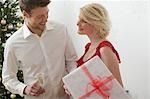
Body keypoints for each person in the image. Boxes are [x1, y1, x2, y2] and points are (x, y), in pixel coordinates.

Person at [2, 0, 77, 99]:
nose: (45, 19)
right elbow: (8, 78)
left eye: (47, 13)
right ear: (25, 14)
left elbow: (71, 61)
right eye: (40, 17)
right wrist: (25, 88)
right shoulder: (13, 43)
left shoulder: (61, 30)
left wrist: (72, 80)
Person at [76, 3, 123, 87]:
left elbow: (118, 87)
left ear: (95, 23)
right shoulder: (89, 47)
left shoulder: (104, 49)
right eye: (79, 19)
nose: (77, 23)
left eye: (83, 21)